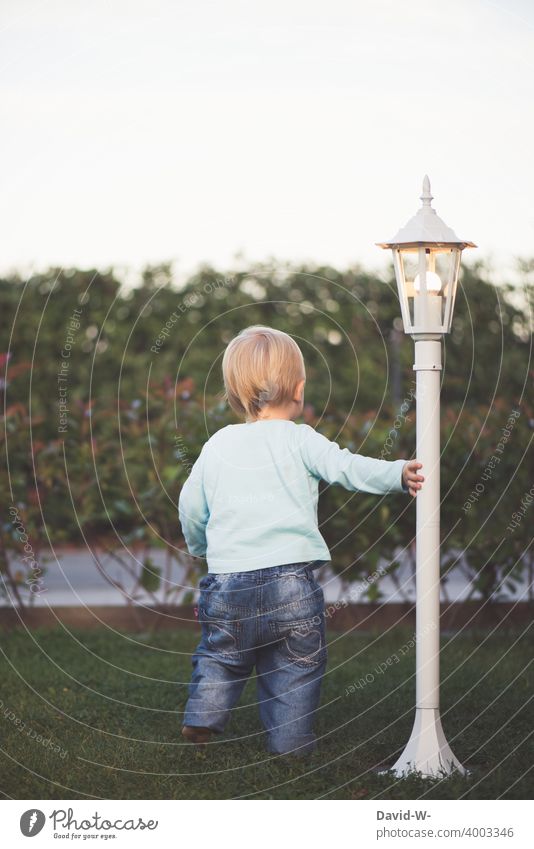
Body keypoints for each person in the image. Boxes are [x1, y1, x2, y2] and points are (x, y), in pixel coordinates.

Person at [178, 325, 424, 755]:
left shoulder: (217, 445)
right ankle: (291, 744)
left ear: (234, 392)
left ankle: (204, 715)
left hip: (229, 582)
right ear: (299, 387)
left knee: (222, 653)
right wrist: (397, 474)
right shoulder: (301, 439)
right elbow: (347, 468)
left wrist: (201, 547)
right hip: (292, 583)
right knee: (296, 665)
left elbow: (191, 507)